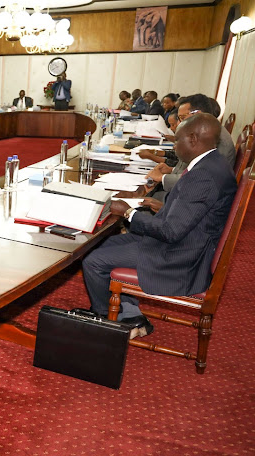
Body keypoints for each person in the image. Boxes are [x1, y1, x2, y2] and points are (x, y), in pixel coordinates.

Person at [82, 113, 237, 336]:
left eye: (177, 140)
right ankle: (130, 314)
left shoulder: (203, 175)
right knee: (100, 245)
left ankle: (105, 320)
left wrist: (128, 212)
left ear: (193, 139)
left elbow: (171, 232)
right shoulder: (213, 163)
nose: (174, 146)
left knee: (93, 261)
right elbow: (192, 213)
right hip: (187, 240)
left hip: (180, 256)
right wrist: (161, 209)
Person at [147, 94, 236, 194]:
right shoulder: (204, 131)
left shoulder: (215, 139)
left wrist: (162, 178)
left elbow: (201, 179)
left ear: (197, 114)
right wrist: (171, 170)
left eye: (182, 118)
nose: (179, 124)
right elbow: (192, 169)